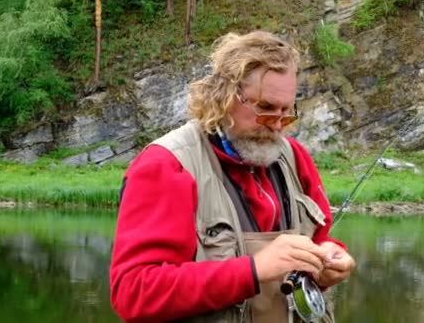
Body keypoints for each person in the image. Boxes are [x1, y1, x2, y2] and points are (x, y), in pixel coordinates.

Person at [109, 31, 356, 322]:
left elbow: (319, 238)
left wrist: (330, 257)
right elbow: (134, 291)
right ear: (224, 96)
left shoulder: (294, 157)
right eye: (264, 108)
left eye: (286, 111)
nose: (277, 125)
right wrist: (252, 270)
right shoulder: (166, 167)